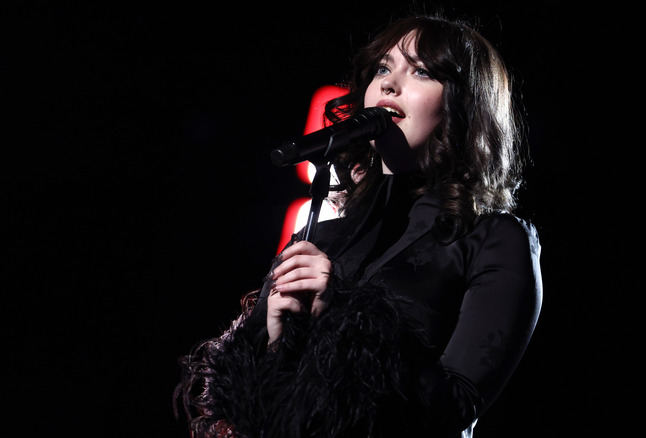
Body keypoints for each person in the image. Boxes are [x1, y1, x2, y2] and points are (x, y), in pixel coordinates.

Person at [176, 14, 542, 438]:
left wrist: (343, 313)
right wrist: (279, 342)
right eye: (383, 68)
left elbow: (456, 405)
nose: (389, 84)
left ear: (462, 105)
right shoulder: (322, 235)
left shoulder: (493, 239)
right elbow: (262, 409)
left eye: (421, 71)